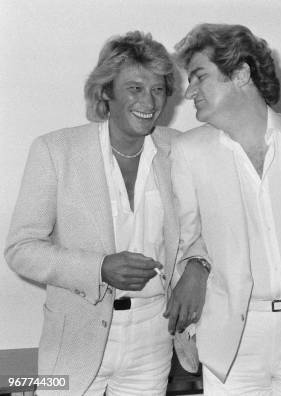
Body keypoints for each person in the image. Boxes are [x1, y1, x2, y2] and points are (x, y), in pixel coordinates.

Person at [4, 32, 192, 395]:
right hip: (73, 338)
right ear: (106, 92)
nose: (149, 101)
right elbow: (21, 249)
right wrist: (99, 268)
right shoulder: (56, 150)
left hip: (153, 337)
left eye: (157, 89)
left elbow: (199, 234)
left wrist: (197, 269)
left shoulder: (179, 149)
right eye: (135, 88)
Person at [167, 23, 281, 395]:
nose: (189, 91)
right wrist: (196, 265)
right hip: (234, 339)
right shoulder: (189, 151)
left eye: (199, 77)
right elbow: (187, 238)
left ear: (241, 73)